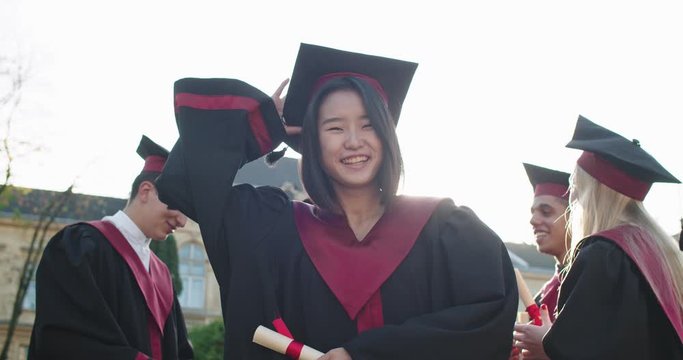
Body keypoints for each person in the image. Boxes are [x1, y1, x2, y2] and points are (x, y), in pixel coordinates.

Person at [156, 43, 518, 359]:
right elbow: (182, 185)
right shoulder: (273, 228)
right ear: (312, 141)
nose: (353, 140)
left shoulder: (445, 230)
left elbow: (486, 321)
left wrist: (369, 354)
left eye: (368, 124)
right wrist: (260, 126)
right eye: (334, 127)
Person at [514, 115, 683, 359]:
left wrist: (546, 344)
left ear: (591, 194)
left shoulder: (604, 254)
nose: (575, 201)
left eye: (577, 191)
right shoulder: (656, 250)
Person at [28, 135, 193, 360]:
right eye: (179, 206)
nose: (182, 221)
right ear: (145, 191)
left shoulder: (162, 274)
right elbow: (66, 339)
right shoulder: (79, 246)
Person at [522, 163, 571, 320]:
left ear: (574, 217)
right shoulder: (544, 294)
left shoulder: (589, 286)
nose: (533, 220)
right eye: (533, 212)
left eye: (545, 212)